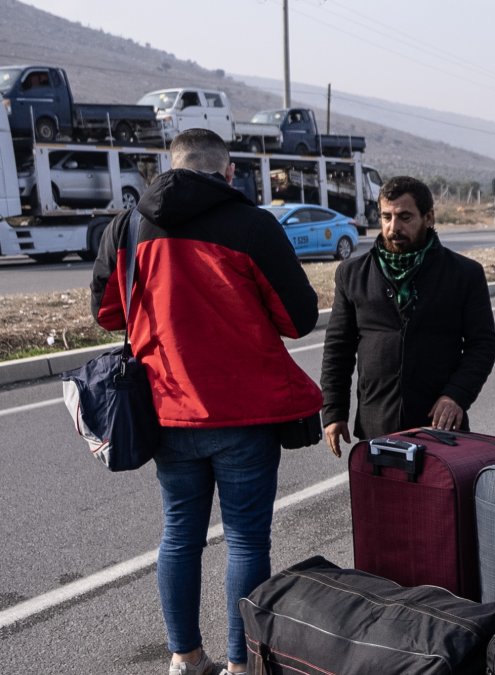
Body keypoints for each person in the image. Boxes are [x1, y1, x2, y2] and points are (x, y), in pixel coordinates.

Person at [91, 129, 322, 675]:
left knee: (179, 534)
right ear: (228, 172)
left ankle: (185, 658)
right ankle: (243, 665)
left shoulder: (126, 226)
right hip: (244, 414)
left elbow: (107, 313)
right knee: (245, 540)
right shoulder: (251, 224)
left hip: (166, 412)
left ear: (167, 167)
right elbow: (300, 318)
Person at [321, 176, 495, 457]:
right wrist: (333, 411)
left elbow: (483, 344)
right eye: (386, 217)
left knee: (438, 501)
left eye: (405, 217)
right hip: (377, 424)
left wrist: (456, 396)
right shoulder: (352, 274)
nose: (394, 228)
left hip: (441, 426)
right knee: (381, 502)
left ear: (428, 217)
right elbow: (338, 348)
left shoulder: (464, 274)